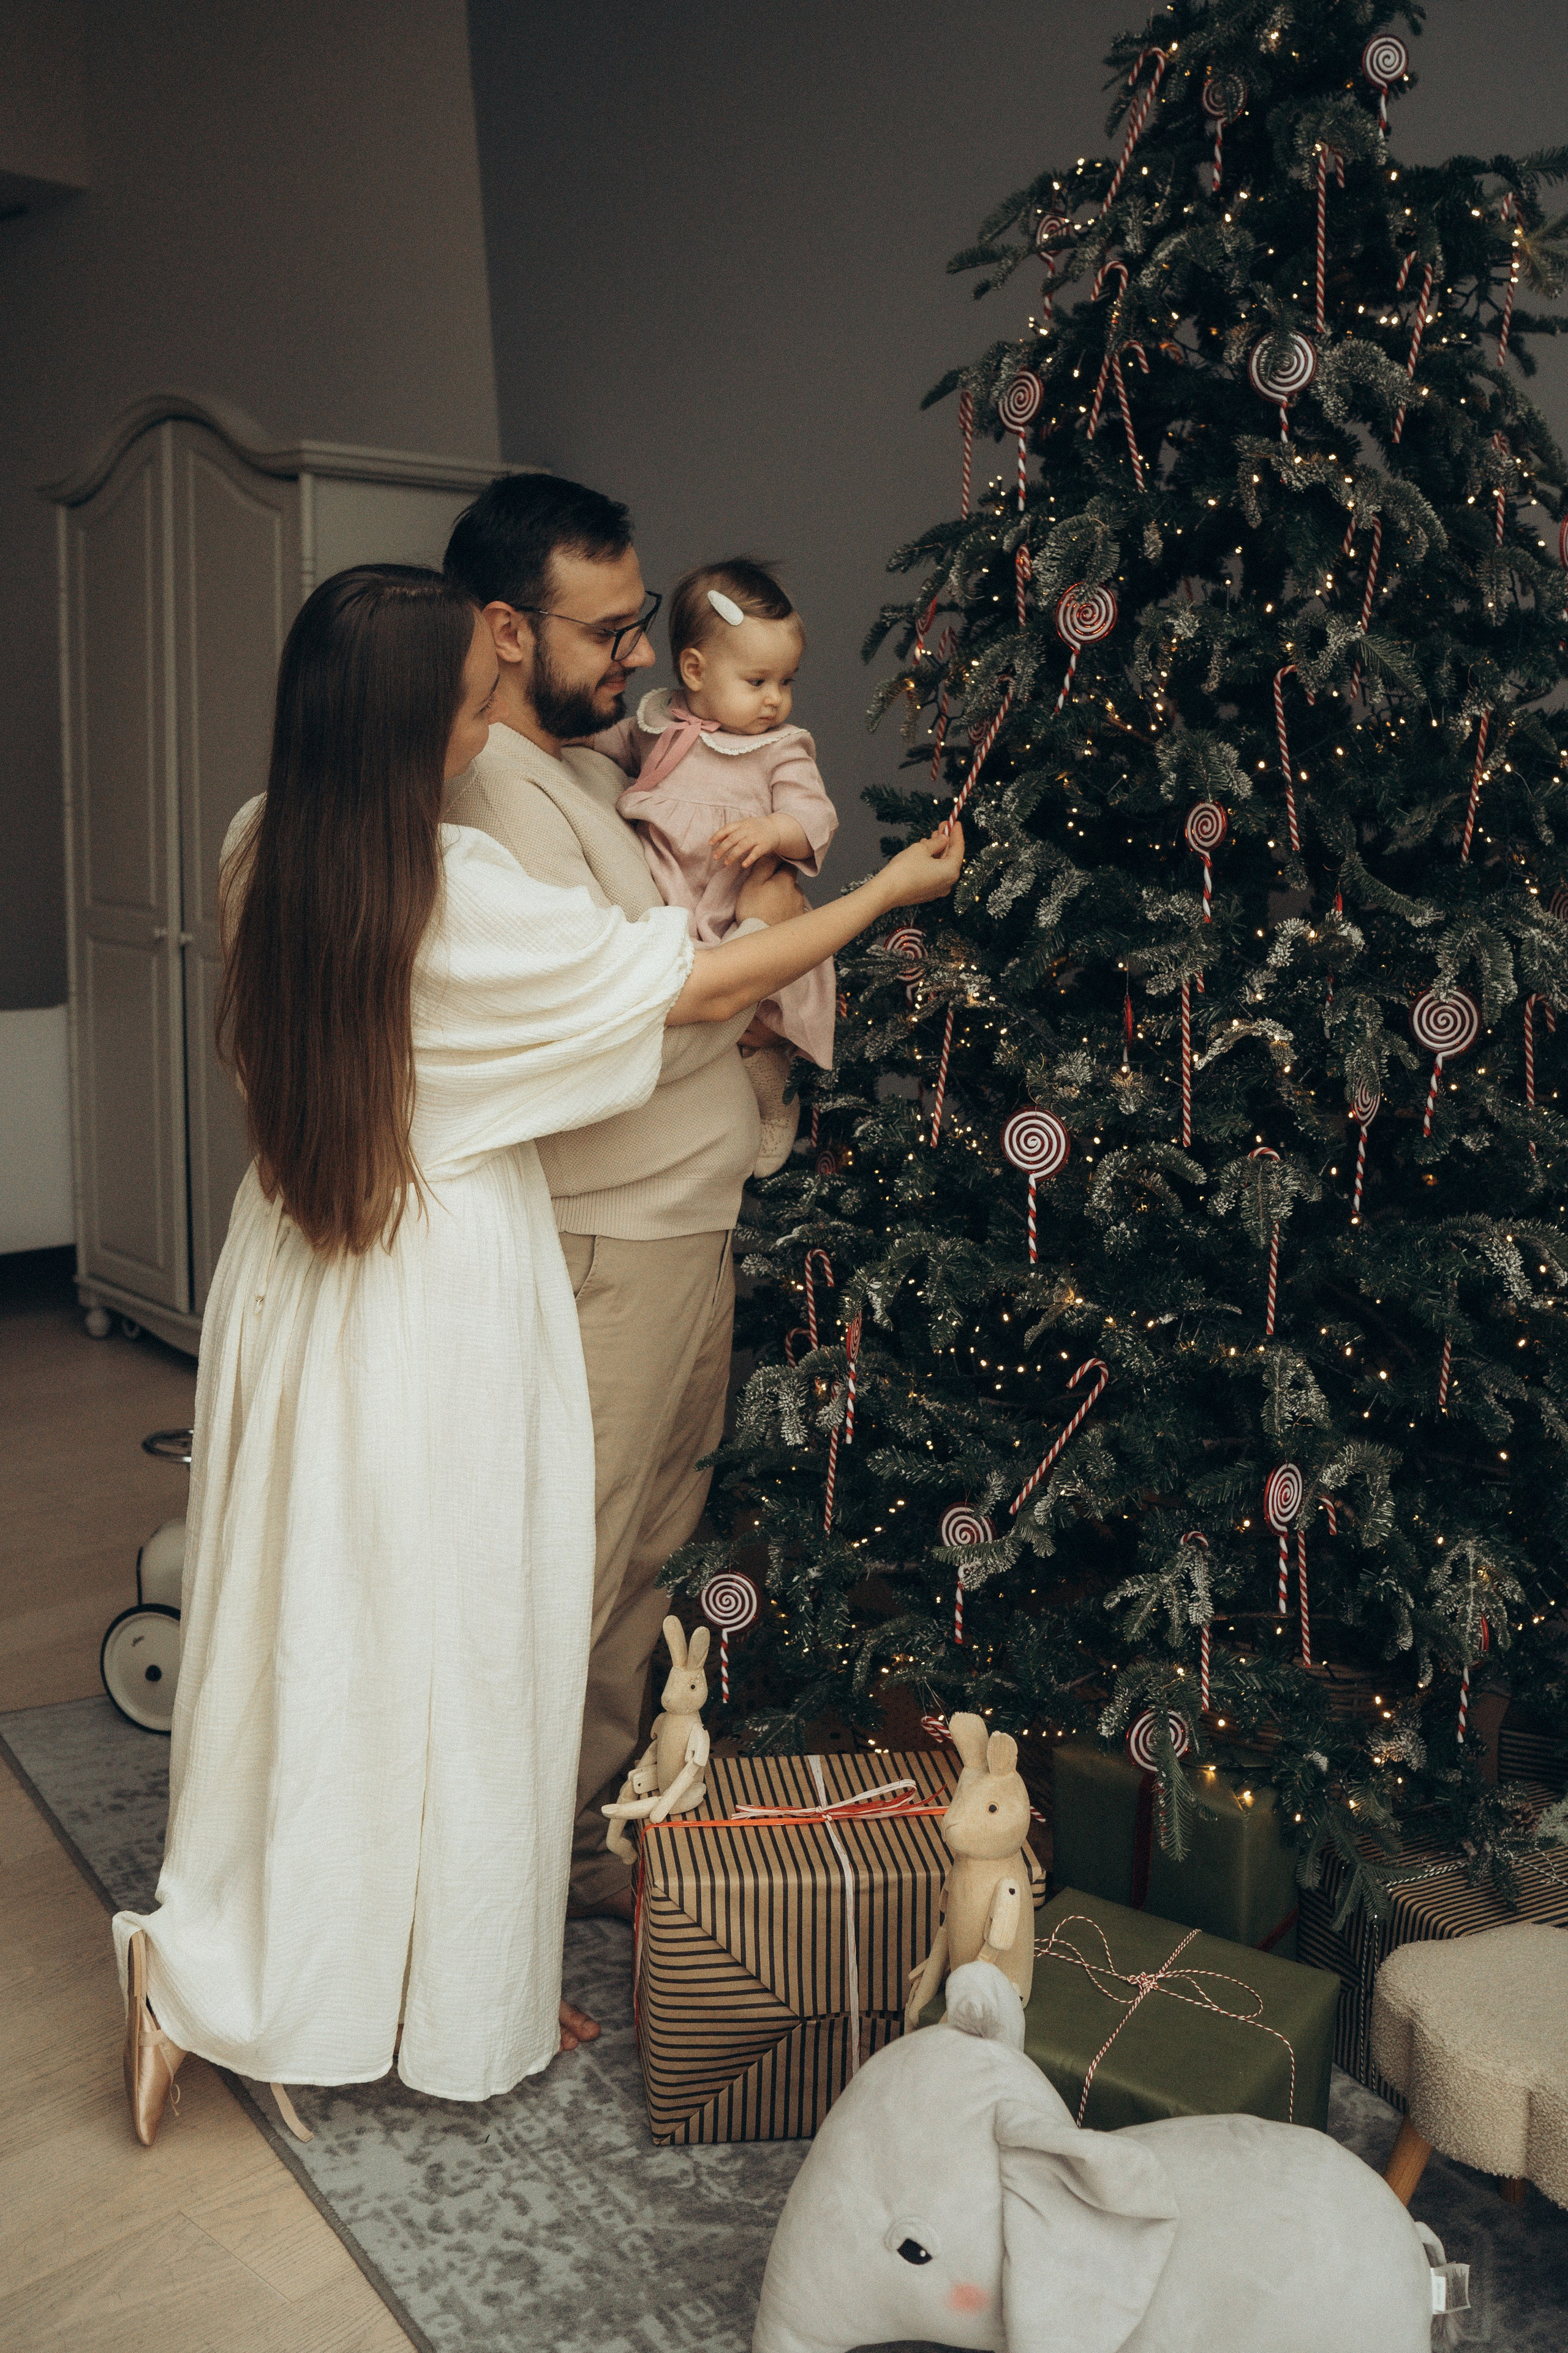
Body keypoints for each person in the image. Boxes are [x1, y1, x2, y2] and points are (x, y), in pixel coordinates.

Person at [115, 561, 963, 2147]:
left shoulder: (260, 844)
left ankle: (245, 1966)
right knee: (460, 1646)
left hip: (294, 1273)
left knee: (300, 1632)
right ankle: (369, 1976)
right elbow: (702, 984)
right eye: (469, 696)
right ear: (408, 722)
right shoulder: (456, 898)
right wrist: (888, 896)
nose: (491, 715)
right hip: (429, 1287)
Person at [443, 479, 799, 1924]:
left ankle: (578, 1843)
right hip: (605, 1243)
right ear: (505, 631)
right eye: (608, 628)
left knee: (646, 1554)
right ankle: (494, 1891)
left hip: (686, 1222)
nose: (640, 656)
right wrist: (774, 924)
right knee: (564, 1570)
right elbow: (634, 1029)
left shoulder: (612, 773)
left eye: (643, 618)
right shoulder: (495, 798)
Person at [593, 558, 837, 1174]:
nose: (775, 700)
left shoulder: (779, 748)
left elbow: (815, 815)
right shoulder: (657, 723)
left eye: (786, 681)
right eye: (757, 681)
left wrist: (771, 829)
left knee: (759, 1022)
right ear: (695, 670)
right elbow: (612, 745)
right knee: (697, 1019)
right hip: (674, 898)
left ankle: (775, 1102)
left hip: (738, 903)